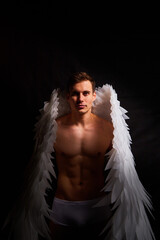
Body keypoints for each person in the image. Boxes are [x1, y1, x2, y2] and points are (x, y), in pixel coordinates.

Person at [3, 72, 155, 240]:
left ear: (93, 96)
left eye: (85, 93)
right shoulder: (54, 129)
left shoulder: (109, 129)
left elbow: (125, 171)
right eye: (75, 93)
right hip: (63, 206)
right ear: (68, 97)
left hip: (97, 206)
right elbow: (36, 168)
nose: (80, 99)